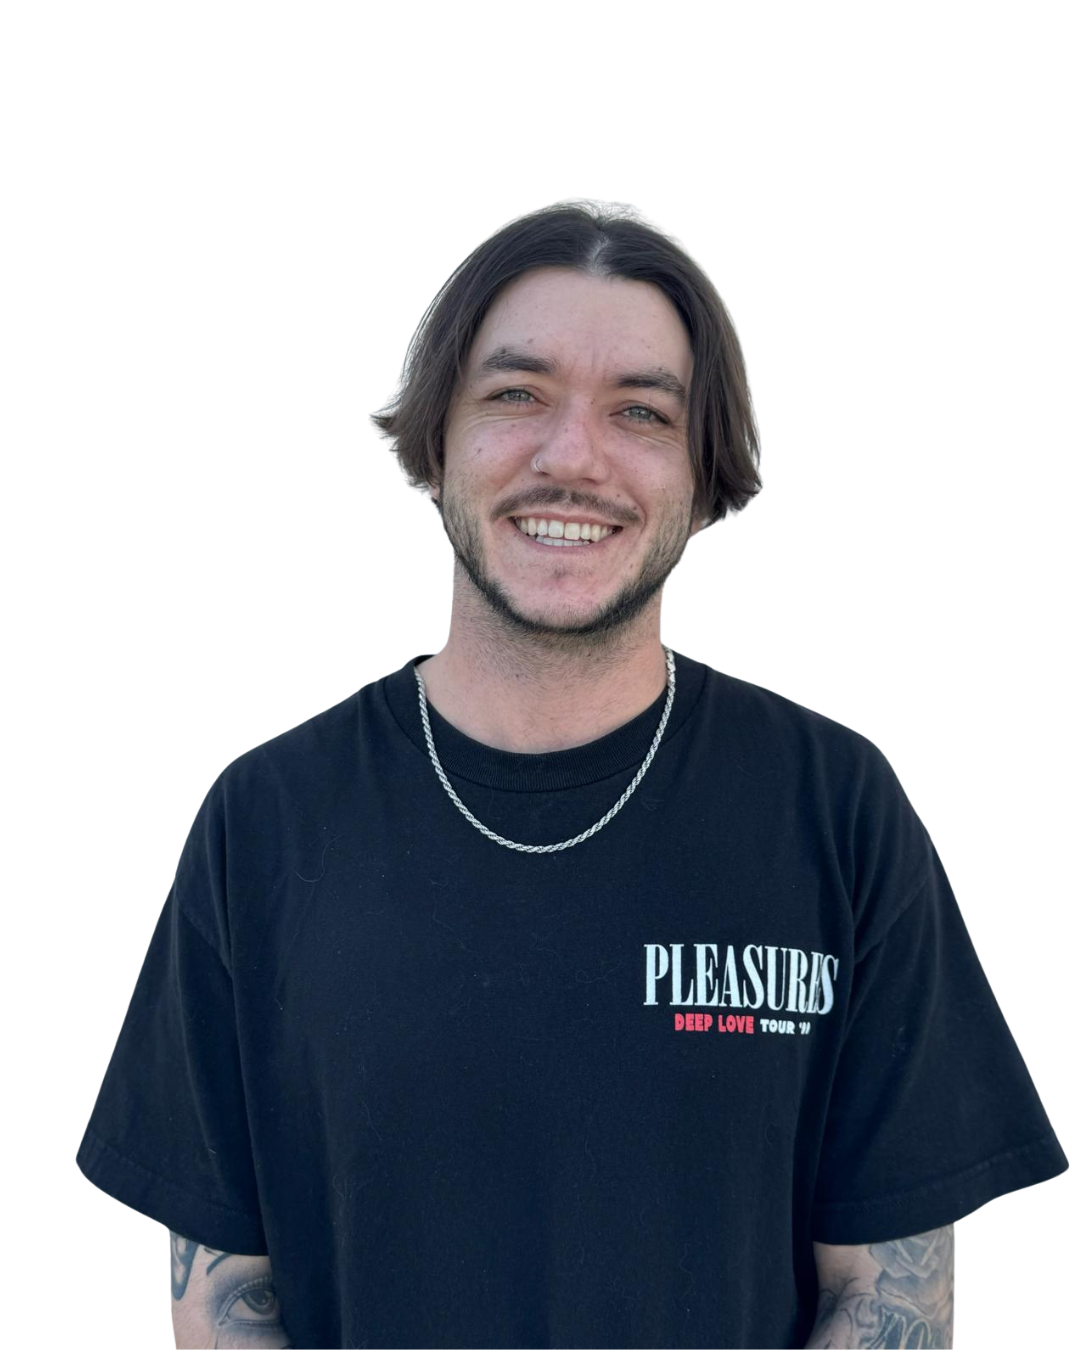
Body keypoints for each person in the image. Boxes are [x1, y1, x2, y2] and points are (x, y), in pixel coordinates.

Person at [76, 199, 1068, 1349]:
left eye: (640, 412)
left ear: (704, 480)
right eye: (515, 394)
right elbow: (223, 1299)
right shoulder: (265, 821)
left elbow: (890, 1299)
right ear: (432, 445)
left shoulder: (838, 809)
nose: (571, 457)